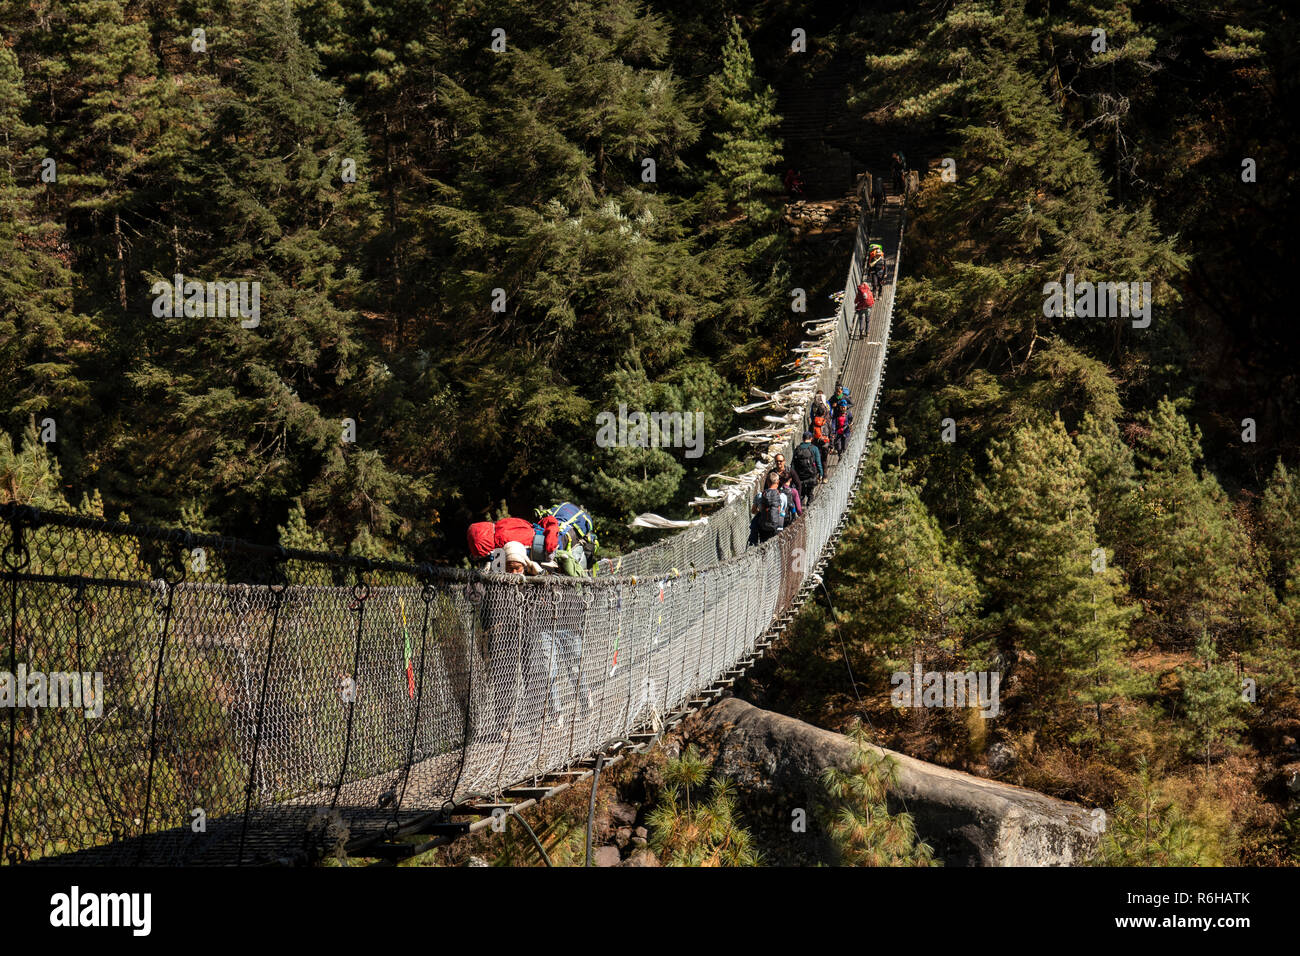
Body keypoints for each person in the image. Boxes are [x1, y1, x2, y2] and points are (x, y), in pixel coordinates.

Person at [752, 471, 786, 543]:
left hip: (763, 526)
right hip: (777, 526)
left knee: (763, 545)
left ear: (767, 482)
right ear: (778, 482)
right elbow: (783, 510)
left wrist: (760, 511)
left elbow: (753, 511)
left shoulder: (760, 496)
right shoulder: (782, 497)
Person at [792, 431, 824, 507]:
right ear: (811, 438)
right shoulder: (814, 448)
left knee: (801, 494)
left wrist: (793, 477)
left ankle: (800, 512)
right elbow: (818, 462)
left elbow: (793, 464)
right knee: (810, 493)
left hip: (800, 476)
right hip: (811, 475)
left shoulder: (797, 449)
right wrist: (821, 474)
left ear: (803, 438)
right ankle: (810, 510)